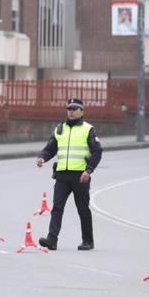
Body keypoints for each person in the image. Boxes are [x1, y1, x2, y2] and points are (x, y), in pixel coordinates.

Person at [35, 98, 103, 251]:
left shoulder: (88, 129)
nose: (71, 111)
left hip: (80, 176)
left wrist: (89, 170)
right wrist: (42, 157)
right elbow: (50, 148)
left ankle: (87, 241)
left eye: (74, 108)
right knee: (57, 207)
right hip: (62, 175)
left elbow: (97, 151)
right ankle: (52, 240)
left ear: (82, 111)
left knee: (82, 209)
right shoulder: (60, 128)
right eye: (69, 108)